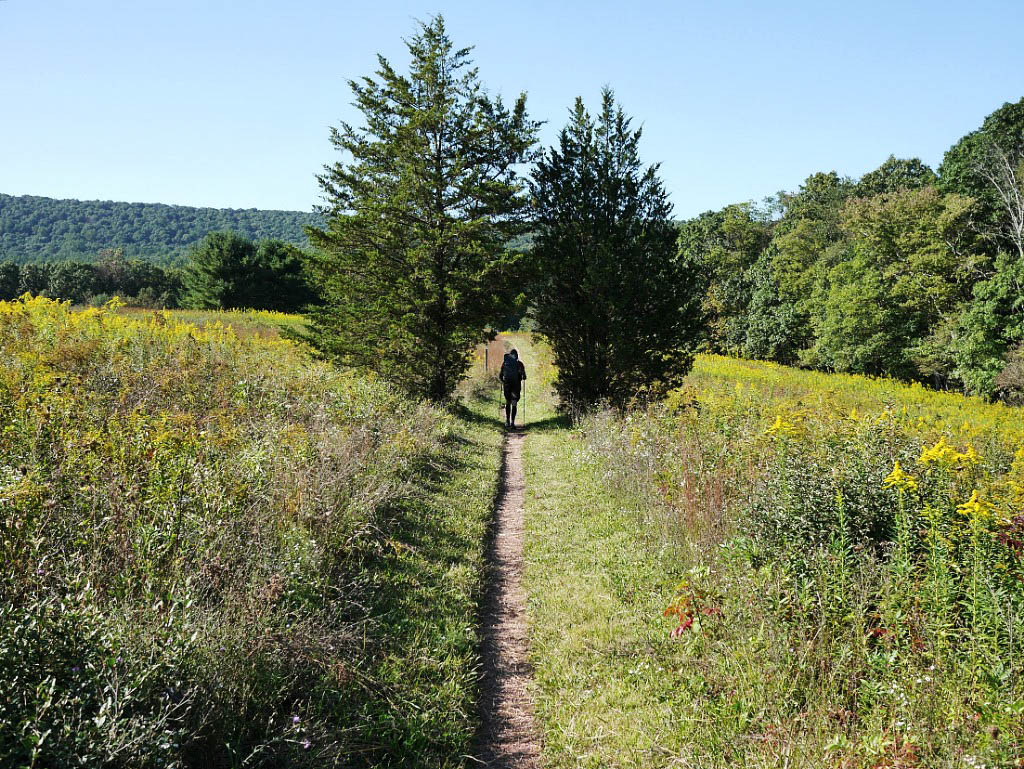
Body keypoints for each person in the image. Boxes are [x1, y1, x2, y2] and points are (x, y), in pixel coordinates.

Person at [499, 348, 527, 429]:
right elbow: (524, 376)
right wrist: (522, 377)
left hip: (507, 385)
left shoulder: (505, 363)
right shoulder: (520, 364)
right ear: (517, 356)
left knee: (508, 402)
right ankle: (512, 423)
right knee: (514, 403)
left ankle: (507, 421)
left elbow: (500, 376)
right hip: (516, 386)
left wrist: (504, 381)